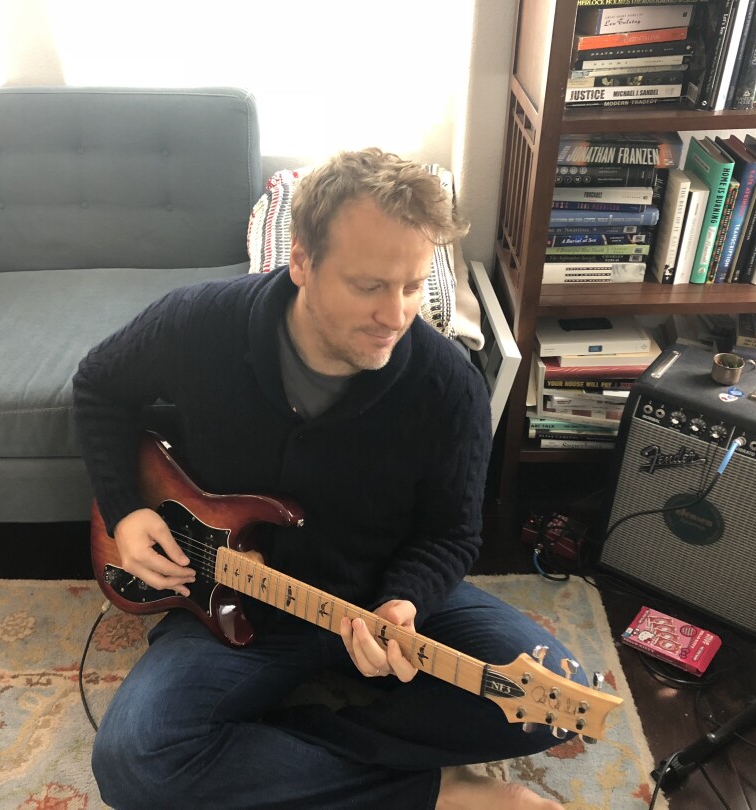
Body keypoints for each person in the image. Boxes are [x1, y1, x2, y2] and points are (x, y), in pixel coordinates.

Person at [73, 148, 586, 809]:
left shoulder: (448, 386)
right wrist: (125, 511)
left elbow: (451, 533)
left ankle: (279, 755)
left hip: (376, 595)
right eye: (370, 286)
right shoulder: (199, 324)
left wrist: (405, 602)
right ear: (302, 263)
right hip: (234, 603)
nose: (396, 315)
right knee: (132, 761)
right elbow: (98, 386)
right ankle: (431, 791)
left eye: (410, 286)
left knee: (553, 698)